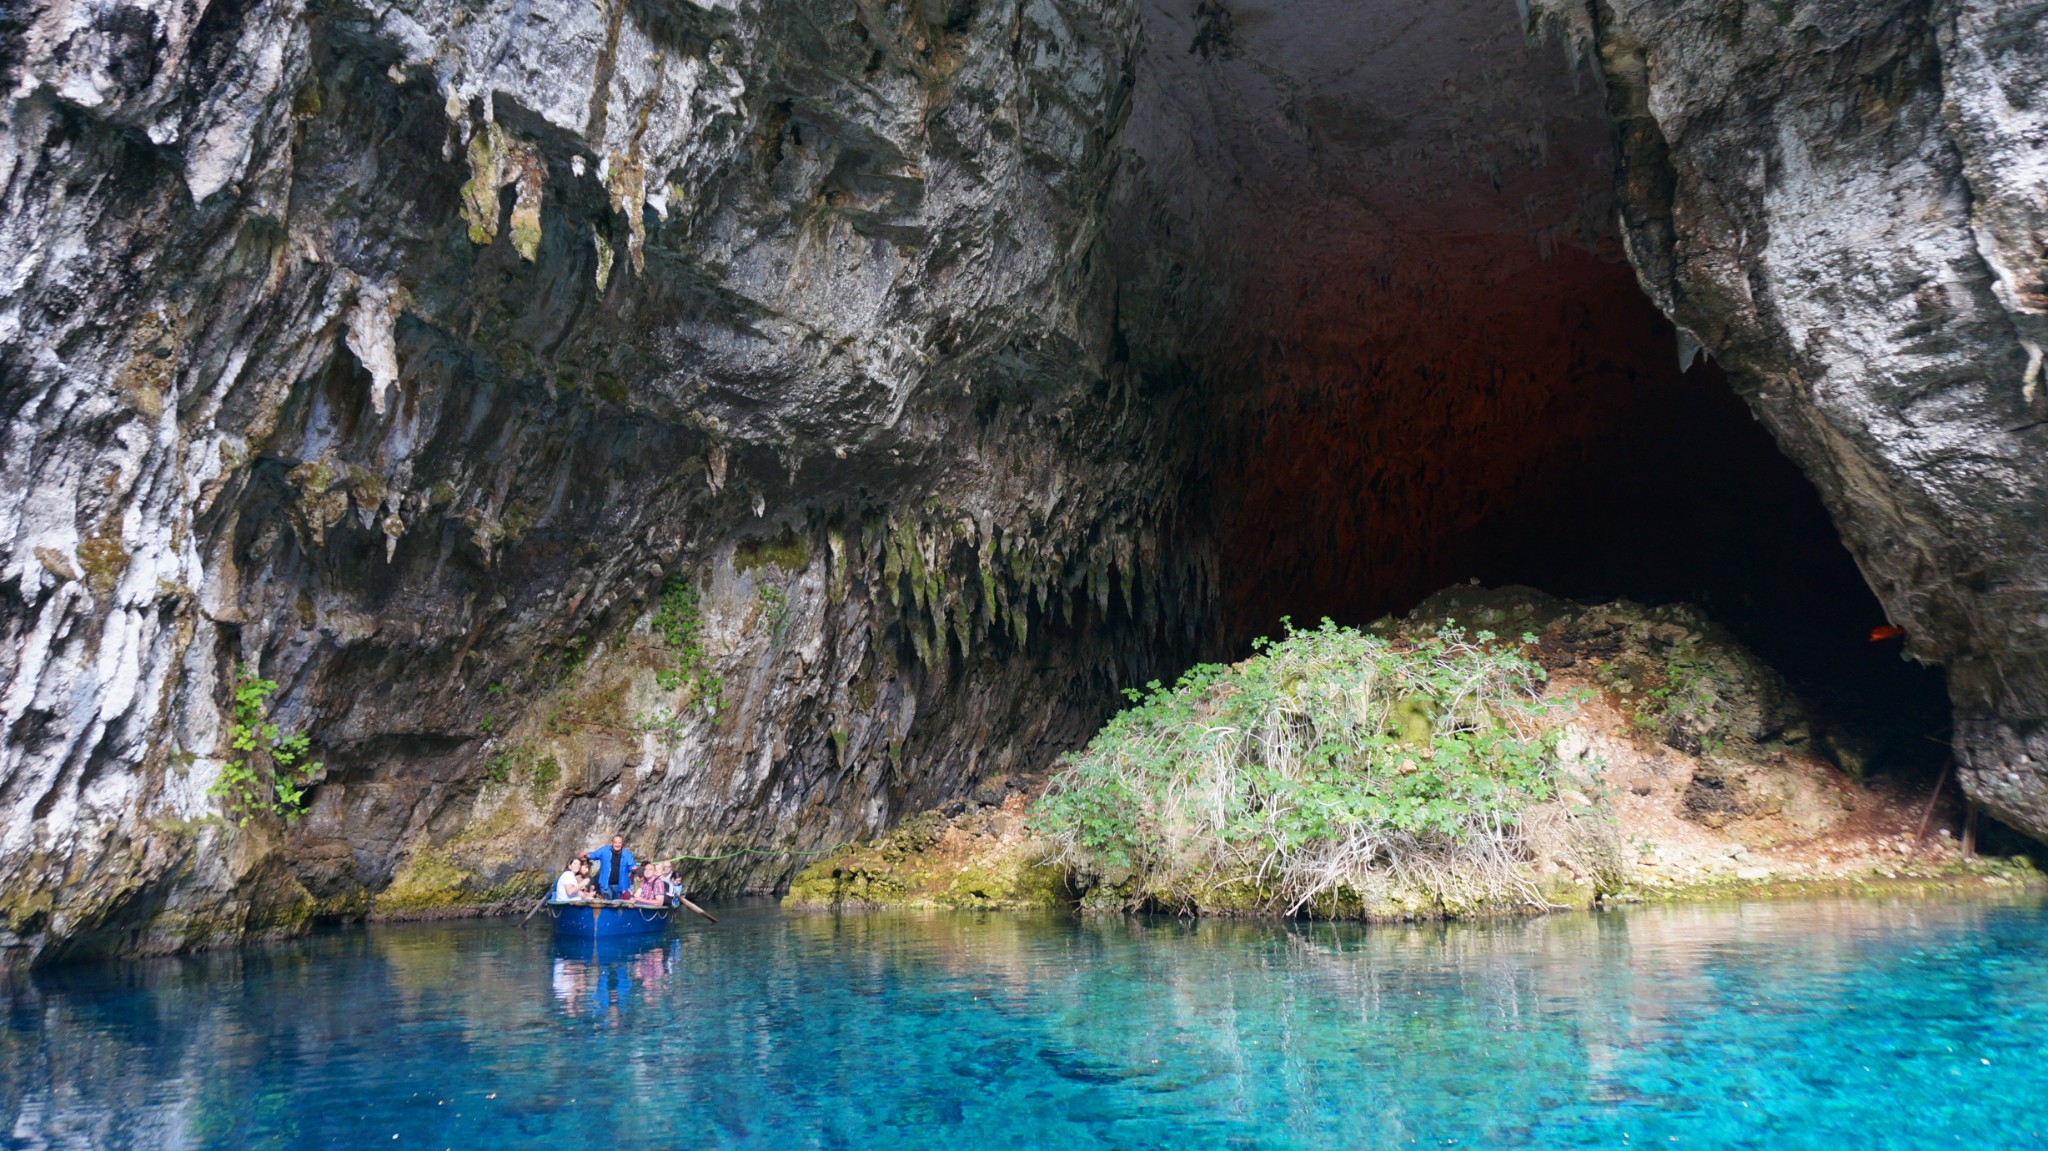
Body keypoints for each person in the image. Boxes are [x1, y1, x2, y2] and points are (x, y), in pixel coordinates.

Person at [586, 835, 637, 899]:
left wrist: (633, 868)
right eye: (615, 842)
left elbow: (631, 864)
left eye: (619, 843)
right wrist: (587, 855)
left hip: (619, 885)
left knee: (617, 905)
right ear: (612, 843)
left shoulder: (627, 854)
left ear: (622, 844)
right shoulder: (605, 850)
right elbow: (594, 854)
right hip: (606, 884)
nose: (617, 845)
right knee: (607, 903)